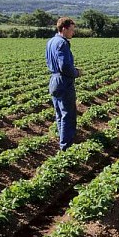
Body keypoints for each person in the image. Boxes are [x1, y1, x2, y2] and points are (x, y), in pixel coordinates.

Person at [46, 17, 81, 151]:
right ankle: (66, 146)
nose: (73, 33)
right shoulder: (62, 43)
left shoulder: (51, 42)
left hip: (54, 80)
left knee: (60, 114)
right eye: (72, 30)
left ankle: (63, 142)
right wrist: (76, 72)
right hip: (63, 81)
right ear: (64, 29)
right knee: (68, 114)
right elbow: (65, 66)